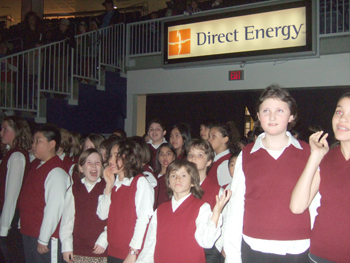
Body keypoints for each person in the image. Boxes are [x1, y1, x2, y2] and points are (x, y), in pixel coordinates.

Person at [224, 85, 318, 263]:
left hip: (298, 248)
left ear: (291, 116)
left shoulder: (309, 153)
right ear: (258, 117)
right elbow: (235, 208)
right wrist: (232, 254)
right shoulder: (246, 155)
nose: (272, 116)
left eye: (280, 110)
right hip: (254, 247)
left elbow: (315, 205)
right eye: (266, 110)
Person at [290, 92, 350, 263]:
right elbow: (297, 206)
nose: (343, 119)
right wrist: (315, 157)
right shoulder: (327, 158)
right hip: (319, 254)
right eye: (339, 112)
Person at [136, 159, 231, 263]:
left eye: (183, 175)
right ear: (168, 182)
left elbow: (206, 242)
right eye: (173, 175)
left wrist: (216, 214)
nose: (177, 179)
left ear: (193, 182)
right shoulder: (160, 210)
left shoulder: (202, 208)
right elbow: (150, 245)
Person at [97, 139, 154, 263]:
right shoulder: (115, 184)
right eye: (110, 155)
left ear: (129, 157)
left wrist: (133, 252)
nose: (110, 160)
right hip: (113, 252)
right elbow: (102, 215)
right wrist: (109, 185)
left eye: (116, 156)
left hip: (131, 254)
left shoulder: (140, 182)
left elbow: (143, 219)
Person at [19, 124, 70, 263]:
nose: (33, 145)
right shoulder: (36, 165)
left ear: (52, 144)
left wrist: (43, 238)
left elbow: (54, 208)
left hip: (44, 237)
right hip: (29, 232)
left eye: (38, 141)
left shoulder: (56, 171)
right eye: (33, 141)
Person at [61, 148, 108, 263]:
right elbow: (67, 219)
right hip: (78, 250)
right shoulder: (75, 189)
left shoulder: (107, 188)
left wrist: (105, 239)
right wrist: (66, 246)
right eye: (89, 162)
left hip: (101, 250)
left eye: (97, 163)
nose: (94, 166)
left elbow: (113, 219)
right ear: (81, 168)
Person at [187, 139, 225, 263]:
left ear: (209, 161)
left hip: (206, 251)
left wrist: (218, 248)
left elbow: (224, 222)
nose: (193, 158)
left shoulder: (217, 191)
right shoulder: (181, 187)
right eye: (190, 154)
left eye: (199, 155)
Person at [0, 116, 32, 262]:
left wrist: (4, 228)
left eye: (5, 129)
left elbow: (12, 196)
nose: (1, 132)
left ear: (17, 132)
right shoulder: (9, 153)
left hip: (11, 219)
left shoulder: (17, 156)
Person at [208, 121, 240, 187]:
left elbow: (225, 191)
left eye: (213, 136)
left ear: (225, 139)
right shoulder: (213, 159)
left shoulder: (225, 164)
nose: (209, 140)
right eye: (209, 136)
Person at [154, 142, 176, 208]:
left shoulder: (175, 177)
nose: (165, 156)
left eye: (168, 154)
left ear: (174, 156)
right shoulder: (153, 176)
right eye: (161, 154)